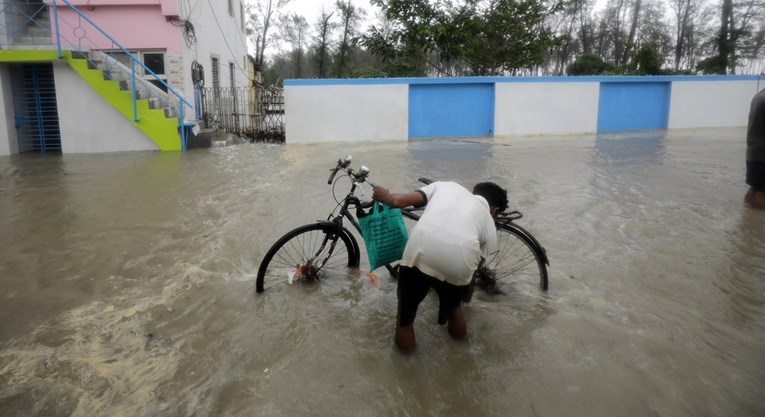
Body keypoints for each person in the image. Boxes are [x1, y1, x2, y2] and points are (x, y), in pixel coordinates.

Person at [372, 181, 508, 353]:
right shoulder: (489, 226)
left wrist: (384, 195)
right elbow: (473, 272)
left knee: (404, 319)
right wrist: (461, 296)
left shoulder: (447, 186)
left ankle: (406, 368)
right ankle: (461, 354)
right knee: (454, 308)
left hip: (419, 250)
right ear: (495, 211)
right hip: (457, 264)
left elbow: (396, 201)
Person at [745, 87, 765, 209]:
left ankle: (747, 218)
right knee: (762, 193)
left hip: (754, 152)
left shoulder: (759, 95)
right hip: (763, 154)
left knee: (755, 188)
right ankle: (758, 225)